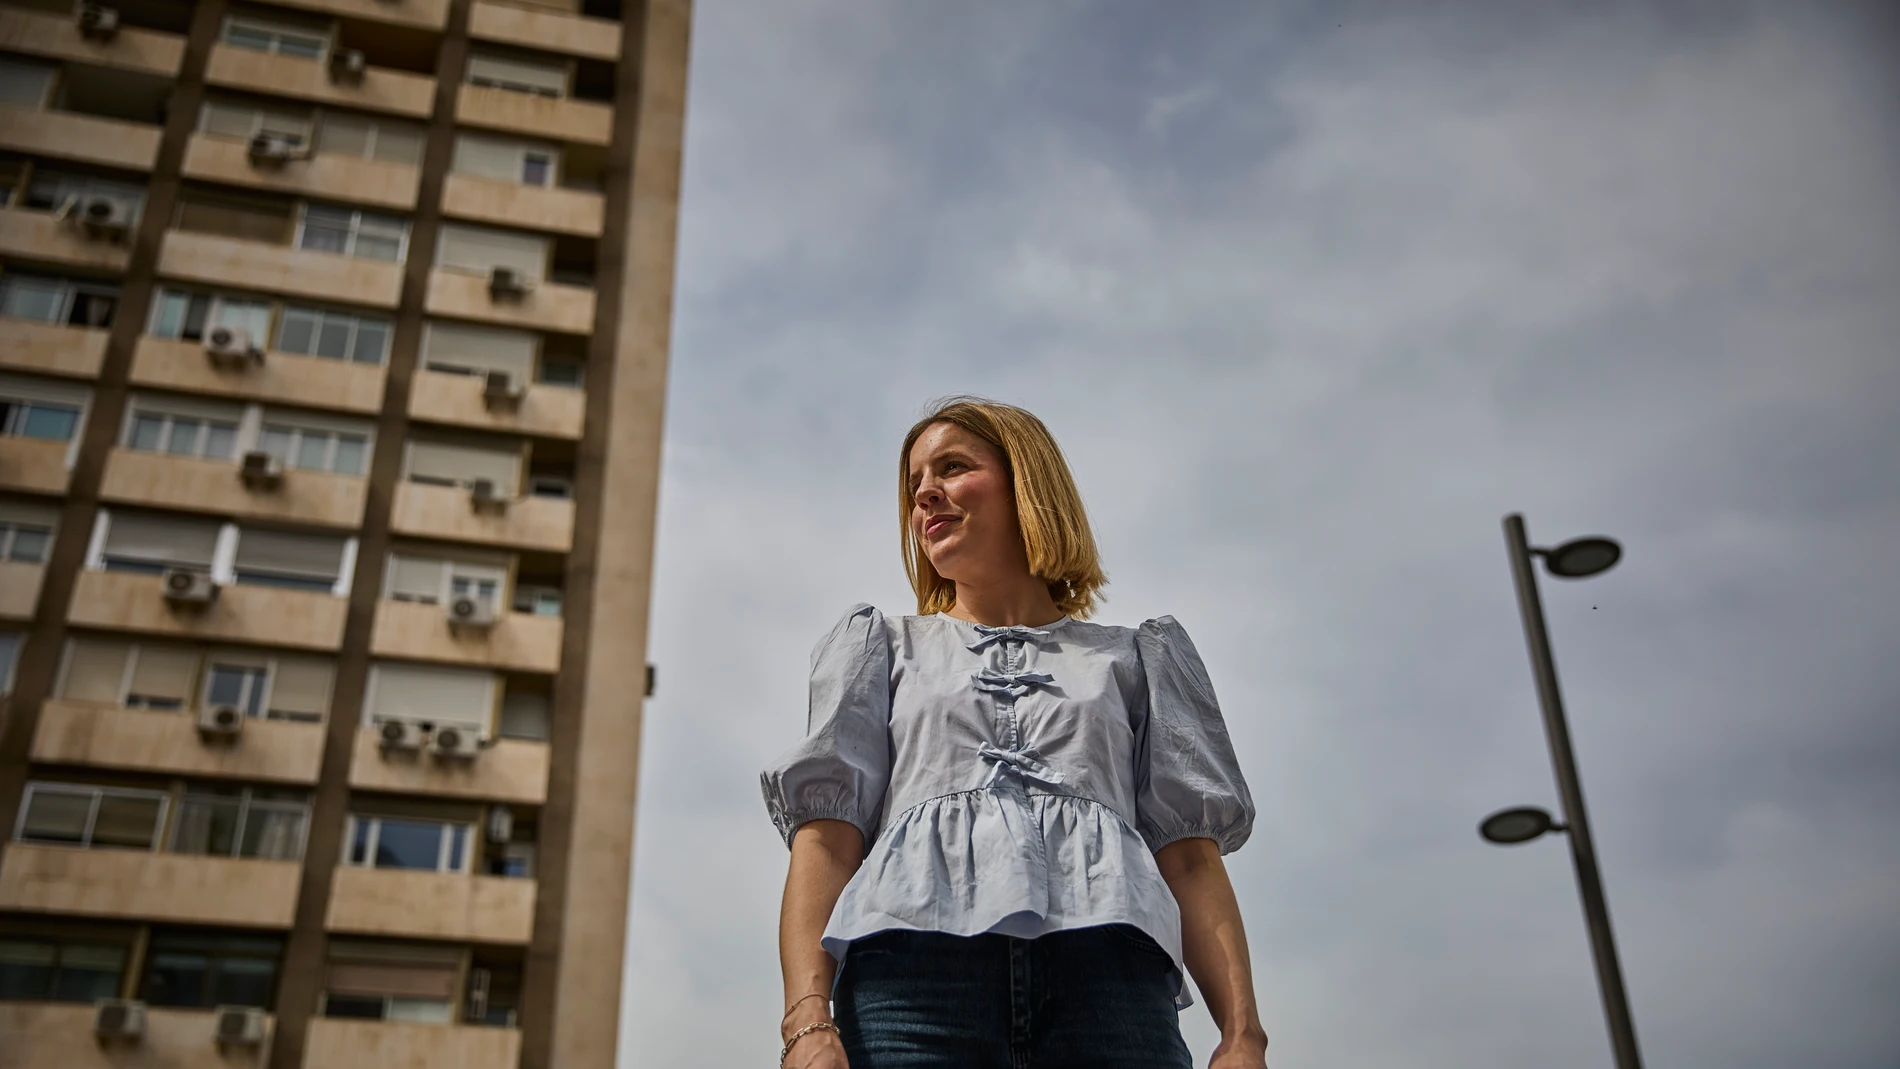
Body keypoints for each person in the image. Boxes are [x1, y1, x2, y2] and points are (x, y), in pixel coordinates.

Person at [762, 397, 1267, 1069]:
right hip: (910, 986)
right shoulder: (881, 645)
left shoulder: (1137, 658)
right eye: (915, 486)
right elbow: (825, 839)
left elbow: (1191, 858)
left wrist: (1242, 1036)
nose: (925, 495)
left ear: (1026, 482)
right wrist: (806, 1021)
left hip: (1112, 987)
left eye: (952, 467)